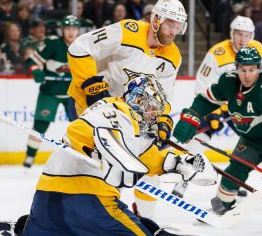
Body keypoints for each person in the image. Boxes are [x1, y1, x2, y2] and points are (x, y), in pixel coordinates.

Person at [0, 75, 218, 236]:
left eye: (156, 109)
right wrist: (116, 156)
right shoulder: (114, 109)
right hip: (89, 204)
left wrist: (179, 163)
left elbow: (147, 160)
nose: (153, 114)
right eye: (150, 107)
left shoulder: (135, 129)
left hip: (47, 202)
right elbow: (82, 129)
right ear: (136, 100)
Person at [66, 0, 187, 218]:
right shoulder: (127, 31)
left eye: (178, 26)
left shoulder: (173, 55)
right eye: (171, 24)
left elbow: (164, 94)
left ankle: (146, 223)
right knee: (107, 170)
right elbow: (79, 47)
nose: (174, 32)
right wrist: (92, 84)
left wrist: (163, 119)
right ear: (156, 20)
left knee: (148, 169)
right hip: (94, 107)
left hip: (128, 117)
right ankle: (91, 224)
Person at [173, 48, 262, 220]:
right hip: (255, 138)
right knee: (234, 170)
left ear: (260, 68)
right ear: (236, 68)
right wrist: (193, 114)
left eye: (251, 70)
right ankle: (221, 206)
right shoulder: (228, 81)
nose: (247, 75)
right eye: (243, 70)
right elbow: (205, 100)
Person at [172, 15, 262, 198]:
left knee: (248, 145)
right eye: (239, 34)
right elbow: (202, 84)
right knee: (200, 140)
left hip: (241, 107)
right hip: (216, 104)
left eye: (247, 35)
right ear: (232, 33)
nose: (242, 39)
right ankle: (182, 180)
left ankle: (233, 183)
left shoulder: (258, 50)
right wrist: (214, 111)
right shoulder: (217, 53)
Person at [22, 15, 80, 169]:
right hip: (50, 92)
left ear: (78, 30)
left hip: (72, 94)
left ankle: (82, 158)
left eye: (74, 28)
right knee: (40, 124)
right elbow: (31, 62)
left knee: (81, 125)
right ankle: (30, 156)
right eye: (68, 28)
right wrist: (35, 71)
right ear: (63, 30)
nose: (71, 32)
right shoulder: (52, 44)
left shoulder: (83, 46)